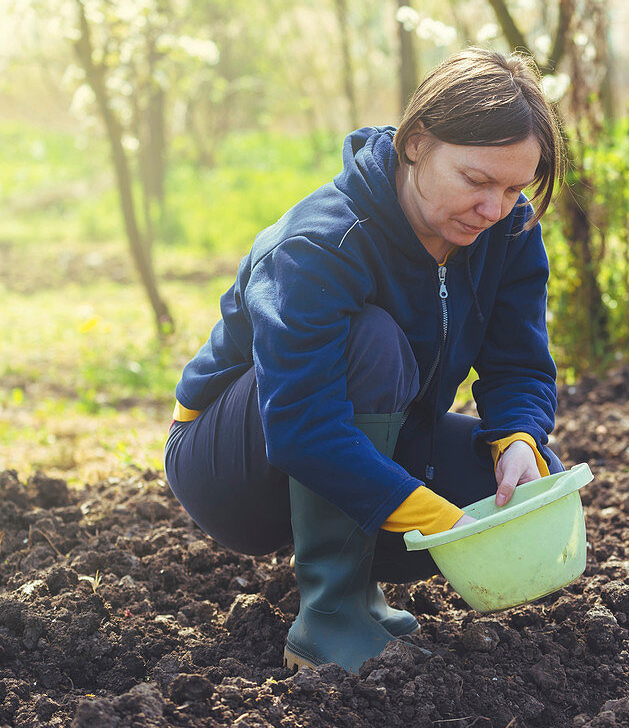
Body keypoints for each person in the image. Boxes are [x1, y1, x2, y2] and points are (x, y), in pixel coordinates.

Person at [163, 48, 565, 674]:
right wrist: (436, 517)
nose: (495, 208)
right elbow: (302, 427)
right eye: (477, 180)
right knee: (370, 341)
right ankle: (330, 615)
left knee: (518, 481)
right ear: (417, 143)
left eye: (515, 187)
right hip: (236, 468)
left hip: (380, 439)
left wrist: (520, 438)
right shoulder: (319, 245)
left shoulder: (506, 230)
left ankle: (364, 593)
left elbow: (520, 364)